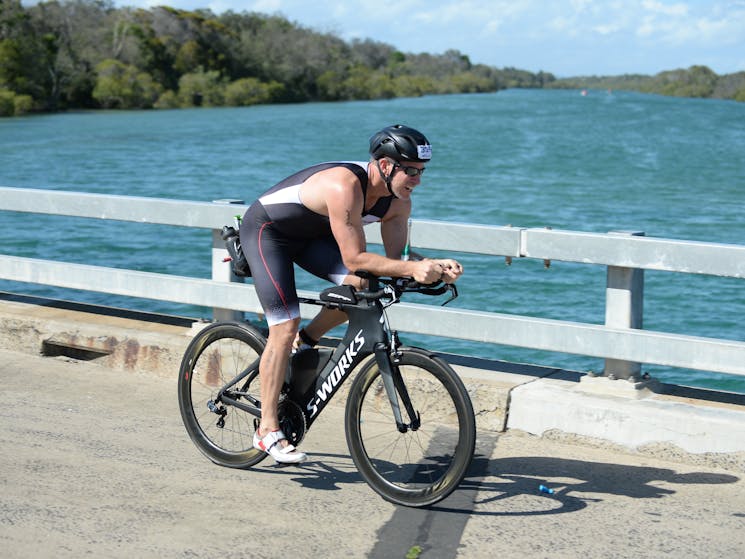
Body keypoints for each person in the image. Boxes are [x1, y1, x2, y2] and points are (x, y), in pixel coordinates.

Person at [239, 124, 463, 463]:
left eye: (422, 171)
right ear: (386, 166)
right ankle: (266, 429)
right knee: (283, 326)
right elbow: (355, 258)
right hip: (269, 233)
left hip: (312, 238)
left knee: (360, 286)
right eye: (411, 171)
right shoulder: (344, 185)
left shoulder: (398, 203)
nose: (418, 179)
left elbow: (396, 261)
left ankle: (307, 339)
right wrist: (411, 268)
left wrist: (433, 266)